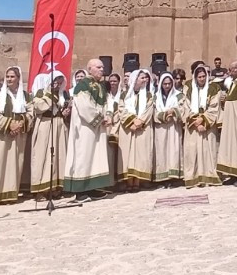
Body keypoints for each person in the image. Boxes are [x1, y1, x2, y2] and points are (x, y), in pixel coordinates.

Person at [65, 58, 114, 200]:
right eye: (98, 67)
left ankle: (92, 187)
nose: (101, 69)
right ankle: (80, 191)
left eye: (102, 67)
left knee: (95, 156)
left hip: (98, 126)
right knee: (83, 156)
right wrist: (100, 119)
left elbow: (107, 102)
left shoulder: (101, 86)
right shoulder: (83, 85)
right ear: (90, 69)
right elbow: (84, 106)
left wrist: (109, 115)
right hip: (85, 127)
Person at [0, 66, 30, 206]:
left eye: (12, 77)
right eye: (8, 76)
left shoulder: (25, 96)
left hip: (17, 137)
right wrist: (9, 124)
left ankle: (9, 194)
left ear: (18, 79)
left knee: (12, 166)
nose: (9, 79)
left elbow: (30, 112)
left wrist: (20, 124)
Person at [29, 74, 71, 197]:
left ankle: (57, 187)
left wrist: (65, 112)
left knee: (59, 156)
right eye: (55, 82)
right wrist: (51, 95)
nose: (57, 85)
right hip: (46, 125)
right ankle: (41, 188)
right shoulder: (42, 92)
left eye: (60, 82)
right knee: (43, 156)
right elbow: (38, 107)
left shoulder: (64, 94)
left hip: (60, 126)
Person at [182, 63, 223, 188]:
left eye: (203, 76)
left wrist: (204, 120)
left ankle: (209, 177)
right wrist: (195, 121)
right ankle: (193, 178)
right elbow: (185, 106)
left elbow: (215, 107)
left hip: (208, 127)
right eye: (199, 77)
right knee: (192, 151)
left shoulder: (214, 88)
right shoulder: (188, 88)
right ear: (195, 77)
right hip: (193, 127)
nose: (202, 79)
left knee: (208, 151)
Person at [117, 69, 154, 188]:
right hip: (128, 129)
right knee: (128, 155)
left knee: (140, 155)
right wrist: (131, 121)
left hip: (142, 128)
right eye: (142, 78)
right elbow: (122, 110)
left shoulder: (148, 95)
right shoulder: (124, 95)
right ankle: (128, 182)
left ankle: (137, 182)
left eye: (145, 78)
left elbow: (149, 110)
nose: (145, 80)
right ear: (135, 80)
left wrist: (139, 122)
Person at [152, 73, 184, 183]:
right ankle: (162, 177)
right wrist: (164, 115)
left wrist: (174, 112)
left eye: (169, 83)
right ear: (161, 84)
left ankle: (174, 177)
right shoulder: (155, 96)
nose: (167, 86)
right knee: (161, 151)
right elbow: (153, 112)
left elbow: (183, 108)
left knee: (174, 150)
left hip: (173, 127)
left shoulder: (179, 95)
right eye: (165, 84)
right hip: (160, 127)